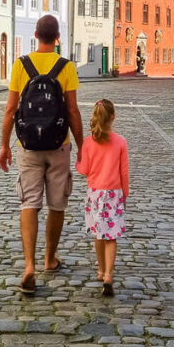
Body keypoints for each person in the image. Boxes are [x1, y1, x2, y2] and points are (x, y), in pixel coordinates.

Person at [0, 15, 83, 295]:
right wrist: (83, 146)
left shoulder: (20, 65)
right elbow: (72, 110)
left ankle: (28, 266)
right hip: (59, 144)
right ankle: (49, 259)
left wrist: (4, 145)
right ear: (57, 38)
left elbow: (11, 109)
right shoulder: (67, 67)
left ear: (36, 35)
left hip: (28, 147)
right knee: (57, 204)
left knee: (29, 203)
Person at [75, 99, 130, 297]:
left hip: (95, 193)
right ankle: (108, 274)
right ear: (113, 117)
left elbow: (84, 170)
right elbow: (124, 170)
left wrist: (78, 162)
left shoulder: (89, 143)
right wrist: (125, 191)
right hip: (114, 193)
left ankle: (100, 270)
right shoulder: (121, 142)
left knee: (99, 234)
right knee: (111, 235)